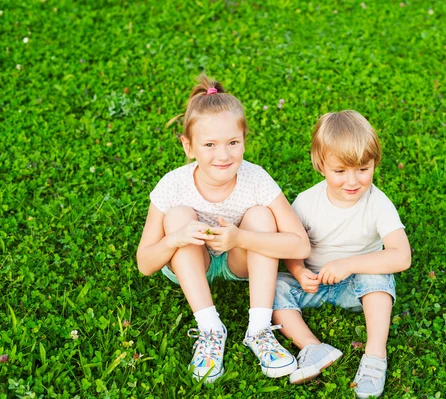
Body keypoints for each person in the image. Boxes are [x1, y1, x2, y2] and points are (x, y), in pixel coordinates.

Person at [136, 74, 310, 383]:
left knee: (260, 216)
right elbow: (145, 264)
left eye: (233, 142)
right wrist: (175, 239)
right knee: (178, 217)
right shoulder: (172, 185)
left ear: (244, 140)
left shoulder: (256, 179)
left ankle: (259, 330)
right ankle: (210, 330)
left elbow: (300, 246)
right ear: (188, 147)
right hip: (192, 263)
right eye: (210, 144)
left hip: (239, 260)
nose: (223, 155)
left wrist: (240, 237)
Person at [272, 110, 411, 398]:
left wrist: (349, 264)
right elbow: (291, 245)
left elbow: (402, 256)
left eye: (363, 169)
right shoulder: (307, 202)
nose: (353, 181)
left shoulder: (378, 203)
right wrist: (298, 271)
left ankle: (374, 356)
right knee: (271, 286)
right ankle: (312, 347)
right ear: (321, 165)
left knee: (379, 275)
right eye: (340, 171)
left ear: (375, 163)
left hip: (357, 288)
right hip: (314, 282)